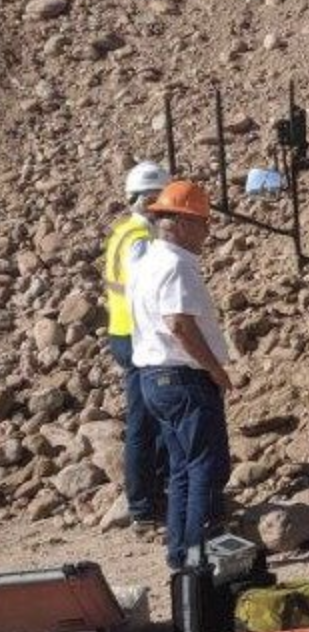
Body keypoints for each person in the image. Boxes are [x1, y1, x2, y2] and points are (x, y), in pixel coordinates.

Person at [128, 180, 233, 569]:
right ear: (181, 222)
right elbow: (180, 325)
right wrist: (216, 370)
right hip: (184, 379)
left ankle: (181, 555)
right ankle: (196, 558)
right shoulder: (175, 265)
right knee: (206, 467)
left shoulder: (147, 261)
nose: (207, 232)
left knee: (182, 471)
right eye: (203, 223)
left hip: (156, 379)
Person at [103, 160, 171, 534]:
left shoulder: (124, 231)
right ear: (147, 199)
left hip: (124, 332)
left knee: (151, 420)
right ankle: (144, 506)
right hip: (136, 337)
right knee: (144, 424)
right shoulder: (140, 241)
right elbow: (147, 291)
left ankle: (152, 498)